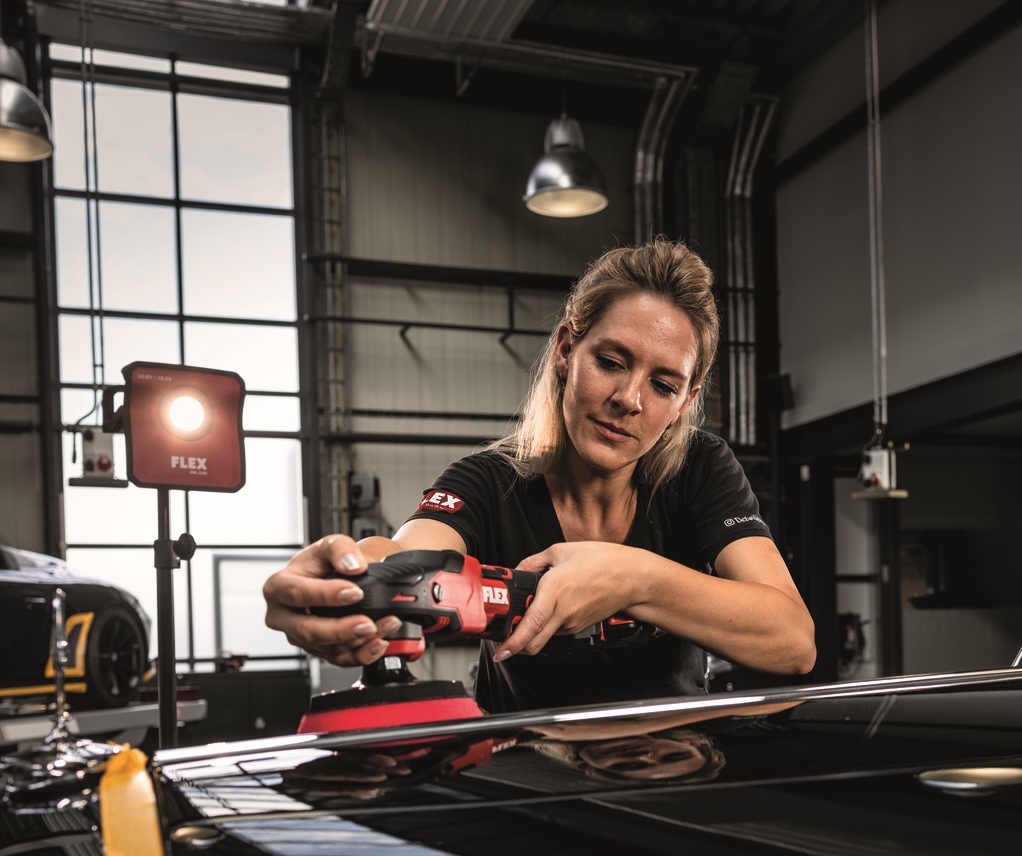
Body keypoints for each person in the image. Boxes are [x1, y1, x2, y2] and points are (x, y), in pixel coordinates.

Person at [263, 240, 815, 711]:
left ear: (684, 404)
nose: (629, 399)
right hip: (523, 776)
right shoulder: (488, 480)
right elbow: (407, 555)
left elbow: (793, 641)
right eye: (611, 362)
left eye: (664, 385)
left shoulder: (700, 468)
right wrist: (349, 582)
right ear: (567, 349)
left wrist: (634, 578)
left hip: (671, 770)